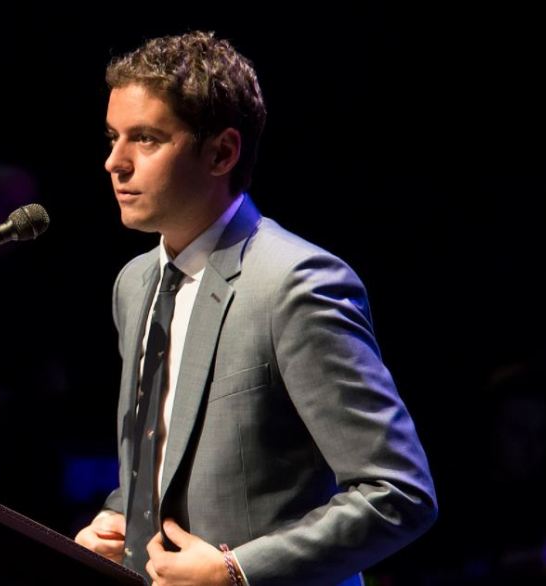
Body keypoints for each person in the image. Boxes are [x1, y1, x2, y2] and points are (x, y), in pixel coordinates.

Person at [74, 31, 437, 586]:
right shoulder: (135, 283)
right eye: (112, 137)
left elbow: (399, 494)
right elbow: (167, 458)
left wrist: (237, 571)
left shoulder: (295, 284)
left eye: (145, 139)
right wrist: (120, 517)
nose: (114, 163)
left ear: (221, 152)